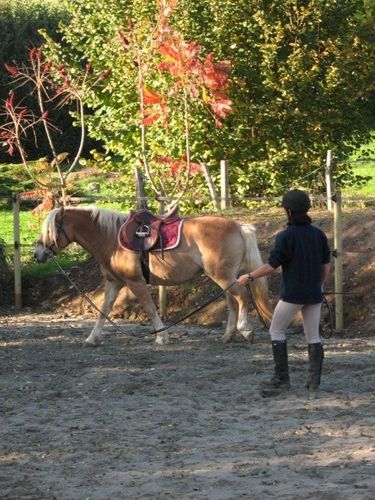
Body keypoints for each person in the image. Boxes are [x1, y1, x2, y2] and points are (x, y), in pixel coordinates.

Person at [237, 189, 331, 396]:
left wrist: (249, 277)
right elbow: (326, 265)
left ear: (288, 211)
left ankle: (282, 380)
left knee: (276, 331)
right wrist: (319, 285)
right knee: (313, 336)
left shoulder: (286, 236)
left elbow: (271, 266)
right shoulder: (318, 234)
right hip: (314, 293)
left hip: (292, 295)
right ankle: (313, 383)